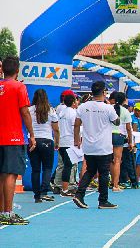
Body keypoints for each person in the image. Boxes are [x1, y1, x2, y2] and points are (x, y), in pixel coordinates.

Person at [72, 81, 120, 209]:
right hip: (103, 147)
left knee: (90, 170)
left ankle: (79, 194)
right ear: (104, 92)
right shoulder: (108, 107)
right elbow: (117, 122)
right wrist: (110, 105)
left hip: (88, 146)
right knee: (104, 173)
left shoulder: (83, 106)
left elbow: (76, 124)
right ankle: (103, 200)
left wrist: (76, 140)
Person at [0, 56, 34, 225]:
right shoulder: (19, 86)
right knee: (11, 174)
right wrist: (32, 134)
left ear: (2, 69)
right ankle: (8, 212)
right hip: (12, 137)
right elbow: (25, 112)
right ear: (17, 70)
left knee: (1, 175)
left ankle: (2, 212)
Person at [28, 89, 60, 203]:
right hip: (47, 140)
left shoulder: (30, 110)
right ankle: (44, 191)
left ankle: (36, 195)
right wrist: (57, 142)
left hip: (33, 140)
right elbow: (56, 129)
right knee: (47, 168)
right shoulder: (50, 110)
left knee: (35, 169)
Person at [110, 92, 133, 192]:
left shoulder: (109, 108)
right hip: (119, 135)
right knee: (117, 160)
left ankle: (109, 181)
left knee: (109, 160)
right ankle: (116, 185)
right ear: (124, 100)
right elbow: (128, 128)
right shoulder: (125, 111)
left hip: (108, 135)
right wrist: (131, 141)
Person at [58, 94, 77, 197]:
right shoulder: (73, 113)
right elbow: (75, 129)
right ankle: (65, 189)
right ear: (73, 102)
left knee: (65, 165)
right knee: (68, 166)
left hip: (61, 141)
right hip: (69, 141)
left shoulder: (61, 112)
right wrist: (77, 141)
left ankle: (64, 187)